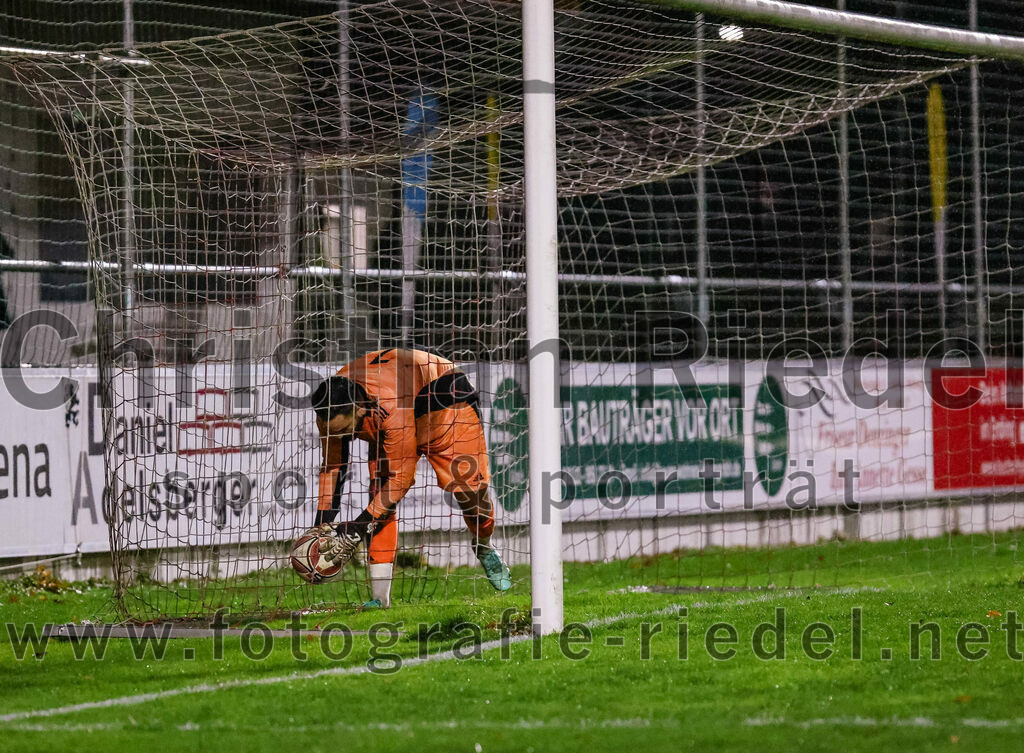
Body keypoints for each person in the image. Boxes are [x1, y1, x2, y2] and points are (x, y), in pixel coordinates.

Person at [307, 347, 512, 608]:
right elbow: (333, 466)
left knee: (471, 494)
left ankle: (483, 545)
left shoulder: (389, 406)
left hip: (444, 400)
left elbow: (402, 480)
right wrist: (321, 525)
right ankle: (380, 599)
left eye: (348, 431)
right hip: (399, 400)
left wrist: (357, 527)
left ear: (359, 409)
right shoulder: (329, 411)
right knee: (379, 497)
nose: (344, 438)